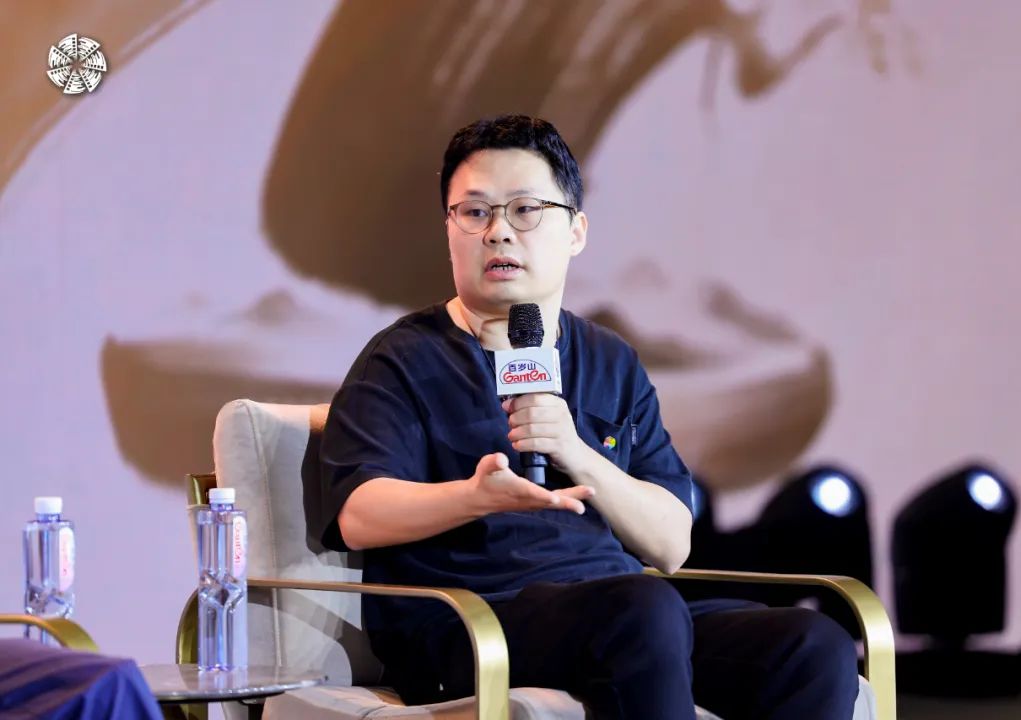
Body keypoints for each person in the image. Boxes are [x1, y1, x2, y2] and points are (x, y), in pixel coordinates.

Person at [318, 114, 857, 719]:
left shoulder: (611, 358)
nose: (498, 232)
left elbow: (670, 544)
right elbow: (360, 515)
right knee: (643, 612)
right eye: (474, 212)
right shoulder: (402, 357)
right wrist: (473, 497)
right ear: (449, 230)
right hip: (471, 622)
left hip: (617, 611)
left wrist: (575, 451)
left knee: (812, 646)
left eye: (525, 209)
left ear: (575, 231)